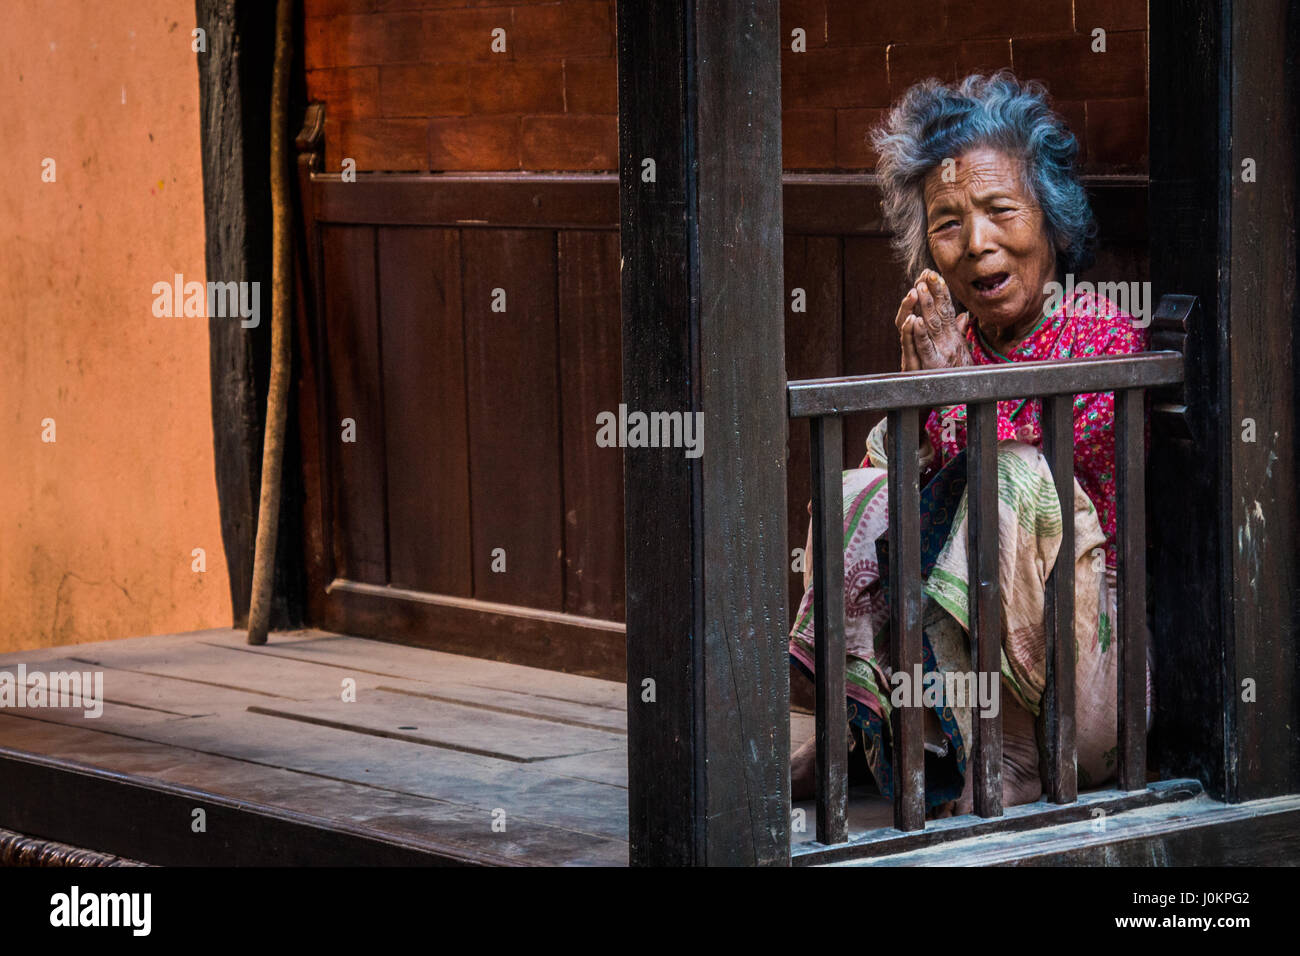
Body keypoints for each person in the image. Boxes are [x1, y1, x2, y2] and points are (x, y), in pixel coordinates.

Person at [789, 71, 1152, 816]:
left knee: (1013, 478)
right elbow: (900, 493)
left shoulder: (1099, 333)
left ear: (1050, 221)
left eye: (1000, 210)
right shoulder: (954, 340)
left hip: (1081, 685)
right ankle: (853, 726)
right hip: (952, 684)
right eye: (948, 222)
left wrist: (955, 393)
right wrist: (913, 401)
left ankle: (1014, 757)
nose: (977, 242)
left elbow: (1040, 490)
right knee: (862, 483)